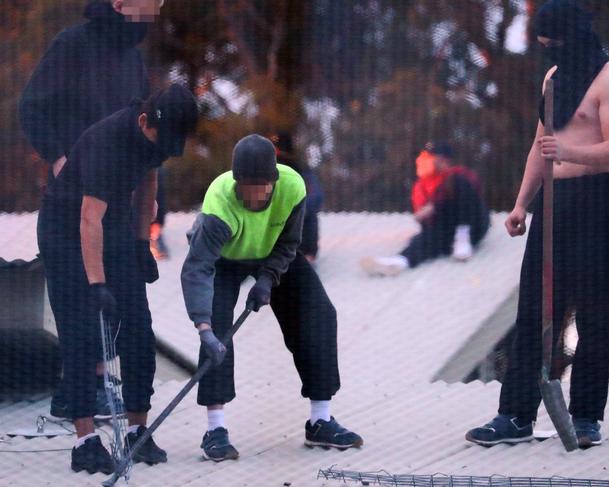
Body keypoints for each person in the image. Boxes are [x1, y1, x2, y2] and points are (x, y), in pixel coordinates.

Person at [465, 0, 609, 449]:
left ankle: (585, 419)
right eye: (542, 46)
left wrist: (570, 153)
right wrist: (521, 203)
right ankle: (515, 416)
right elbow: (541, 145)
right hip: (554, 205)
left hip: (598, 200)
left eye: (554, 44)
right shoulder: (553, 78)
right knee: (536, 309)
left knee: (595, 312)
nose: (549, 53)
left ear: (574, 36)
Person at [37, 84, 198, 474]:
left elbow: (148, 185)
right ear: (145, 121)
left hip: (113, 228)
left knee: (139, 331)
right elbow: (87, 218)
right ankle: (85, 442)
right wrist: (96, 284)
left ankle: (137, 433)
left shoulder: (158, 137)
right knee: (81, 334)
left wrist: (142, 243)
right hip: (64, 232)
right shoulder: (106, 143)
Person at [19, 0, 163, 420]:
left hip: (117, 205)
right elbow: (31, 107)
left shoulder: (133, 59)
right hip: (70, 206)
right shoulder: (73, 44)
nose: (158, 4)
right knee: (79, 302)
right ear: (119, 4)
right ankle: (80, 391)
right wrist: (60, 159)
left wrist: (153, 203)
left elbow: (146, 131)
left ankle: (97, 384)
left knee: (120, 303)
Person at [181, 134, 363, 462]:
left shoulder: (293, 188)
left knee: (320, 314)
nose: (251, 195)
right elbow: (197, 269)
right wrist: (203, 327)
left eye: (259, 186)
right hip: (224, 260)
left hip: (272, 255)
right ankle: (215, 429)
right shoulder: (219, 206)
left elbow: (290, 242)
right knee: (218, 328)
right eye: (244, 186)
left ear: (273, 181)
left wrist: (267, 279)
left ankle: (320, 420)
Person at [360, 142, 490, 276]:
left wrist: (435, 205)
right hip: (446, 232)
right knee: (423, 238)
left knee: (458, 184)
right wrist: (423, 215)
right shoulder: (421, 186)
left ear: (442, 160)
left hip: (473, 225)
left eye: (428, 158)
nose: (421, 161)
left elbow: (475, 192)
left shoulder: (458, 174)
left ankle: (463, 236)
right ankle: (398, 262)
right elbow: (423, 216)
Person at [270, 132, 324, 262]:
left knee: (307, 216)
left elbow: (316, 197)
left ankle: (305, 255)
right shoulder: (261, 172)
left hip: (297, 225)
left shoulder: (301, 172)